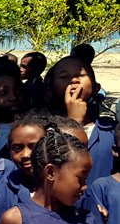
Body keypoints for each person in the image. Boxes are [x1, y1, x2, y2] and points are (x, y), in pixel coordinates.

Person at [46, 56, 117, 184]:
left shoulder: (112, 130)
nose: (74, 80)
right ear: (50, 91)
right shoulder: (43, 129)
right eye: (63, 76)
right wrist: (74, 122)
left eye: (81, 75)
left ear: (96, 88)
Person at [0, 114, 47, 224]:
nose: (26, 155)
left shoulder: (64, 186)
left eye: (34, 146)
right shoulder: (4, 190)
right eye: (17, 148)